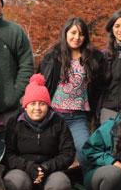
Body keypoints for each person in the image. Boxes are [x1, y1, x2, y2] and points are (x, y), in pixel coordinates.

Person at [3, 74, 75, 190]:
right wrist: (29, 167)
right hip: (23, 171)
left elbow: (68, 153)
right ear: (25, 106)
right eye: (33, 103)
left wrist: (46, 167)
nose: (37, 108)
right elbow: (8, 153)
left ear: (48, 106)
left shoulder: (58, 122)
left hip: (50, 171)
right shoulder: (14, 122)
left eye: (42, 104)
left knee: (61, 184)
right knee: (14, 181)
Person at [38, 17, 105, 170]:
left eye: (81, 34)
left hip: (78, 116)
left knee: (84, 151)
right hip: (54, 115)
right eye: (73, 33)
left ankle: (87, 188)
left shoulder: (92, 58)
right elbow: (42, 82)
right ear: (65, 33)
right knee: (52, 153)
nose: (76, 37)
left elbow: (99, 86)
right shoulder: (53, 56)